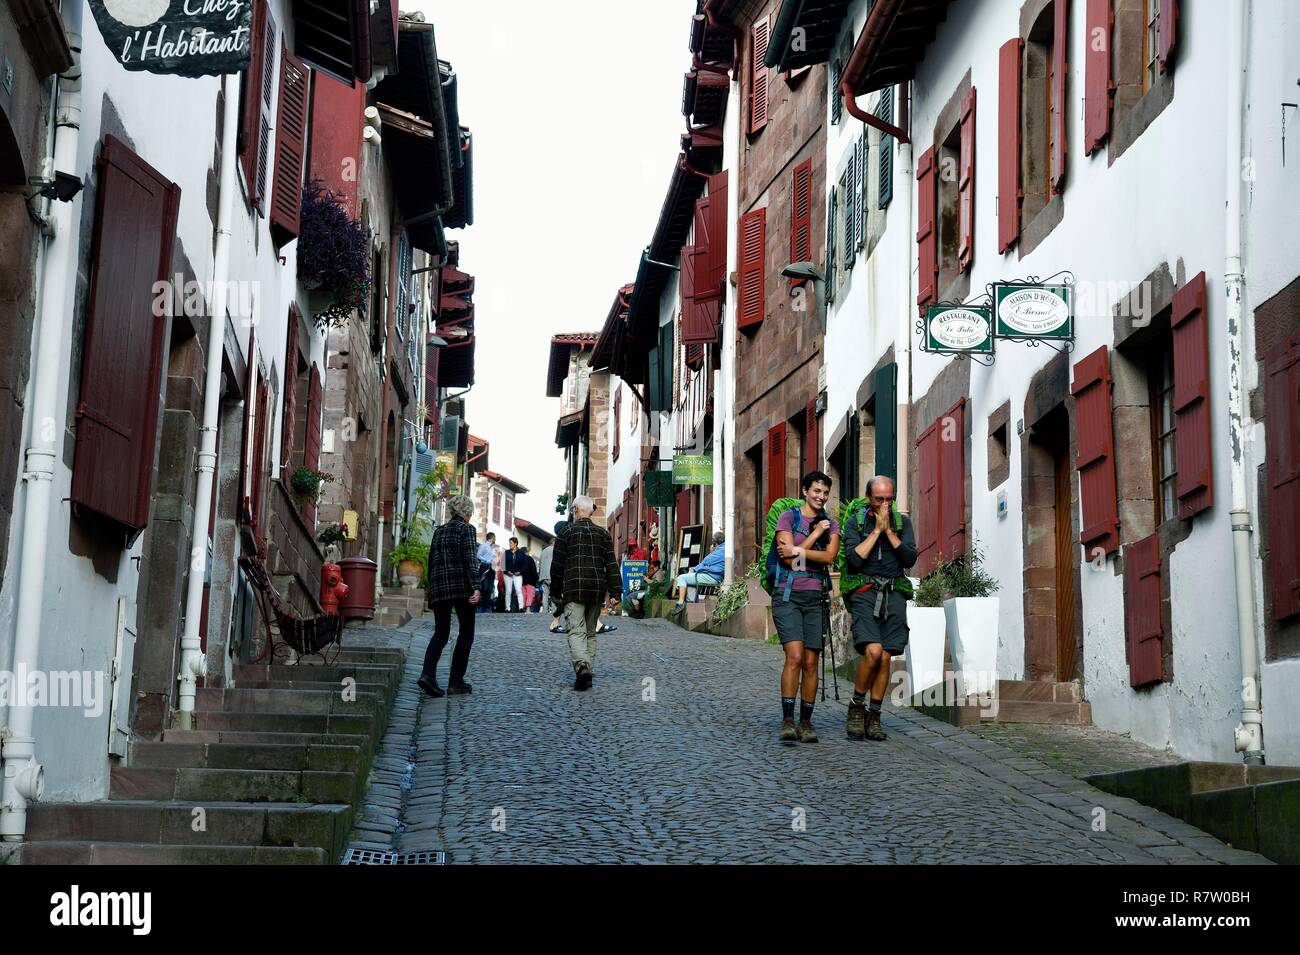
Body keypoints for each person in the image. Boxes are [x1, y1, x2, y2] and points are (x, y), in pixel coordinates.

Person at [843, 475, 917, 742]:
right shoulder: (856, 523)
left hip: (894, 593)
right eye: (879, 499)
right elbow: (853, 561)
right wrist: (876, 531)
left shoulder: (902, 523)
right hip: (865, 592)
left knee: (885, 656)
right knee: (872, 652)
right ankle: (856, 706)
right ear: (868, 499)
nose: (885, 504)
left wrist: (888, 531)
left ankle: (874, 715)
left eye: (889, 499)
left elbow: (909, 558)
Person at [772, 470, 840, 744]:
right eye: (816, 491)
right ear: (804, 491)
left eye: (825, 493)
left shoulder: (831, 524)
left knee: (812, 662)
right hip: (787, 595)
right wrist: (814, 538)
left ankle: (806, 721)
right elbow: (788, 563)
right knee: (795, 656)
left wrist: (798, 549)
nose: (821, 497)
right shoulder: (789, 517)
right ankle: (788, 719)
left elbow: (830, 556)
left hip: (816, 597)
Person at [549, 495, 621, 691]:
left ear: (574, 511)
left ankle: (582, 665)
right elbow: (611, 565)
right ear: (591, 511)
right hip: (597, 589)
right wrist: (616, 592)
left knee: (576, 630)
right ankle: (587, 670)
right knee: (590, 632)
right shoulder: (603, 534)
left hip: (573, 588)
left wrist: (555, 592)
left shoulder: (565, 533)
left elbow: (557, 566)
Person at [420, 495, 481, 697]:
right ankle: (456, 681)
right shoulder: (467, 529)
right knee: (466, 633)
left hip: (440, 587)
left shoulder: (439, 531)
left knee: (441, 632)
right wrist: (476, 587)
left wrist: (431, 589)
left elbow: (431, 561)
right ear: (467, 513)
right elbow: (470, 559)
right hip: (461, 587)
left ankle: (428, 675)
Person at [673, 531, 725, 609]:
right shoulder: (723, 549)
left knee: (682, 578)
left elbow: (706, 561)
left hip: (712, 577)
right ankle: (691, 603)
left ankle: (681, 602)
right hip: (714, 576)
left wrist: (711, 552)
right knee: (689, 577)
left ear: (715, 543)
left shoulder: (721, 550)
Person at [546, 519, 569, 633]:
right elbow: (558, 564)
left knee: (566, 601)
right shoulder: (561, 542)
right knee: (565, 601)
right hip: (563, 576)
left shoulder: (561, 541)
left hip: (562, 576)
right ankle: (555, 623)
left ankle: (556, 623)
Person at [503, 536, 527, 612]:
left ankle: (521, 607)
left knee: (518, 590)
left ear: (515, 543)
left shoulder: (521, 553)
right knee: (508, 591)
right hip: (508, 574)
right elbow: (502, 564)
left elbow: (525, 564)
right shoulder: (506, 552)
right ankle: (507, 608)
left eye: (511, 543)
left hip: (518, 574)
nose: (509, 544)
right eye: (509, 543)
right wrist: (507, 571)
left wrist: (520, 571)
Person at [475, 532, 496, 614]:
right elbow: (478, 555)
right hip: (485, 567)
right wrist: (486, 560)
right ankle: (482, 606)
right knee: (485, 587)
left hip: (492, 569)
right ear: (491, 537)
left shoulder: (493, 547)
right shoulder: (484, 545)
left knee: (490, 588)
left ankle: (486, 607)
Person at [519, 545, 539, 611]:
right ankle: (528, 609)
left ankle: (522, 608)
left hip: (521, 580)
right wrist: (536, 579)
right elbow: (533, 570)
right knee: (530, 594)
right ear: (526, 552)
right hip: (530, 580)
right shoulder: (529, 559)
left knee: (523, 594)